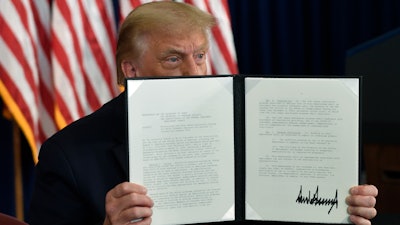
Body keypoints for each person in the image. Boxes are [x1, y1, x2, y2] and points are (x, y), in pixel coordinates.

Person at [28, 2, 378, 225]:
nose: (195, 74)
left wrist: (341, 213)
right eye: (173, 59)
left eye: (199, 56)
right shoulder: (68, 154)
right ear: (131, 70)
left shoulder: (244, 126)